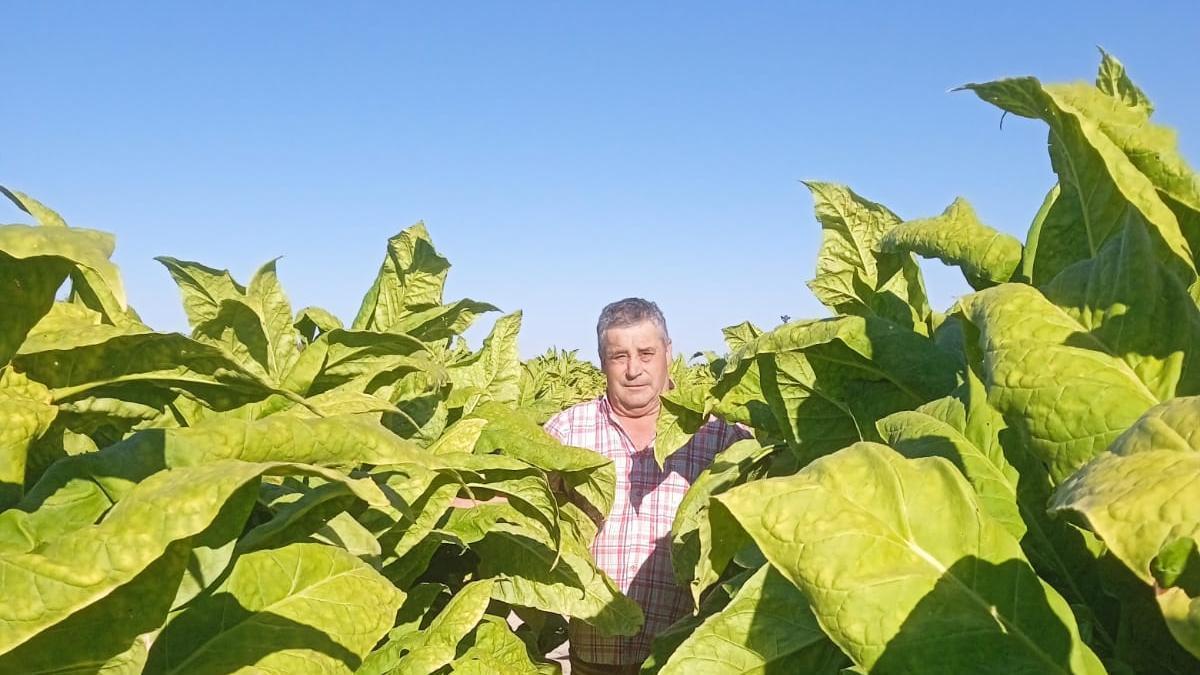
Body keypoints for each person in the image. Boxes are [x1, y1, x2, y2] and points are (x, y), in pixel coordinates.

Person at [543, 298, 750, 674]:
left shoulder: (718, 436)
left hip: (683, 654)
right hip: (595, 655)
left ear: (668, 353)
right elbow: (523, 502)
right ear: (602, 360)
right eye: (619, 355)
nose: (633, 369)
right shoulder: (567, 431)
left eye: (646, 352)